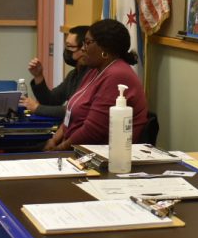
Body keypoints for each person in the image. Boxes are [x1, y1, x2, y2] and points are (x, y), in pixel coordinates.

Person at [43, 19, 147, 150]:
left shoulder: (117, 75)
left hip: (99, 155)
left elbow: (93, 131)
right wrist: (53, 140)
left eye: (87, 43)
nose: (83, 48)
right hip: (75, 149)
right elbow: (71, 115)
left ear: (105, 49)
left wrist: (58, 150)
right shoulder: (95, 70)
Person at [22, 25, 89, 117]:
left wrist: (37, 108)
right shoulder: (73, 75)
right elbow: (51, 101)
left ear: (84, 48)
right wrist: (38, 76)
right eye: (66, 46)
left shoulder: (91, 75)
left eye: (70, 46)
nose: (67, 50)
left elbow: (72, 110)